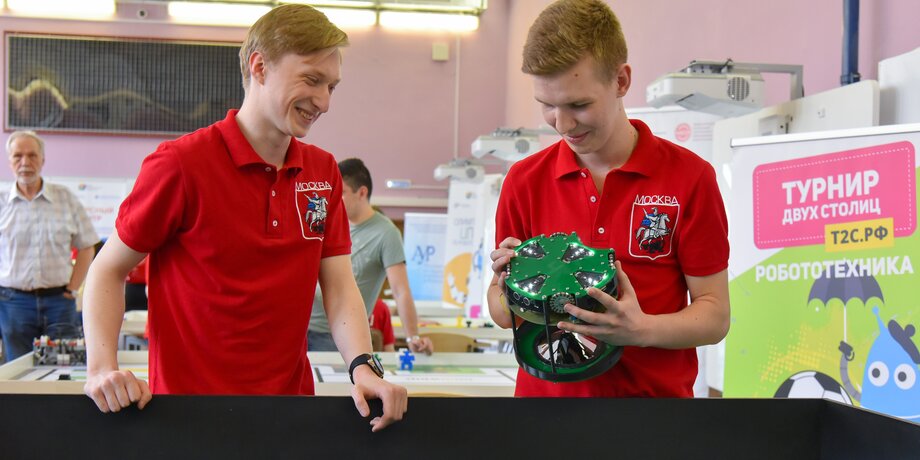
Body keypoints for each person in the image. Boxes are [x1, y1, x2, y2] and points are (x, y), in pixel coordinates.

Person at [81, 5, 407, 431]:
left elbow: (340, 285)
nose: (325, 102)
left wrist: (363, 366)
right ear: (259, 67)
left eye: (331, 86)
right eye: (312, 80)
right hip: (187, 418)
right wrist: (101, 368)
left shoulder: (323, 171)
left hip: (289, 415)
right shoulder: (181, 165)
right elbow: (106, 269)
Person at [487, 0, 730, 398]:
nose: (562, 124)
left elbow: (715, 314)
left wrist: (641, 329)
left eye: (579, 105)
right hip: (543, 415)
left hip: (651, 416)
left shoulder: (690, 177)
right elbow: (500, 313)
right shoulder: (523, 180)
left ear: (621, 81)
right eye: (547, 105)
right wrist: (507, 286)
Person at [308, 158, 434, 355]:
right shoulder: (329, 223)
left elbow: (400, 290)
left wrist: (412, 337)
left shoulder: (386, 233)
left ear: (362, 193)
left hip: (336, 334)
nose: (334, 198)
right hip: (302, 325)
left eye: (341, 193)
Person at [0, 131, 99, 363]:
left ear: (42, 160)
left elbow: (87, 246)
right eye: (18, 156)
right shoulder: (1, 202)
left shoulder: (66, 198)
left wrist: (73, 289)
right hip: (13, 303)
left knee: (63, 368)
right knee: (16, 370)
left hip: (59, 301)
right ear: (10, 161)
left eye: (32, 155)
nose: (25, 162)